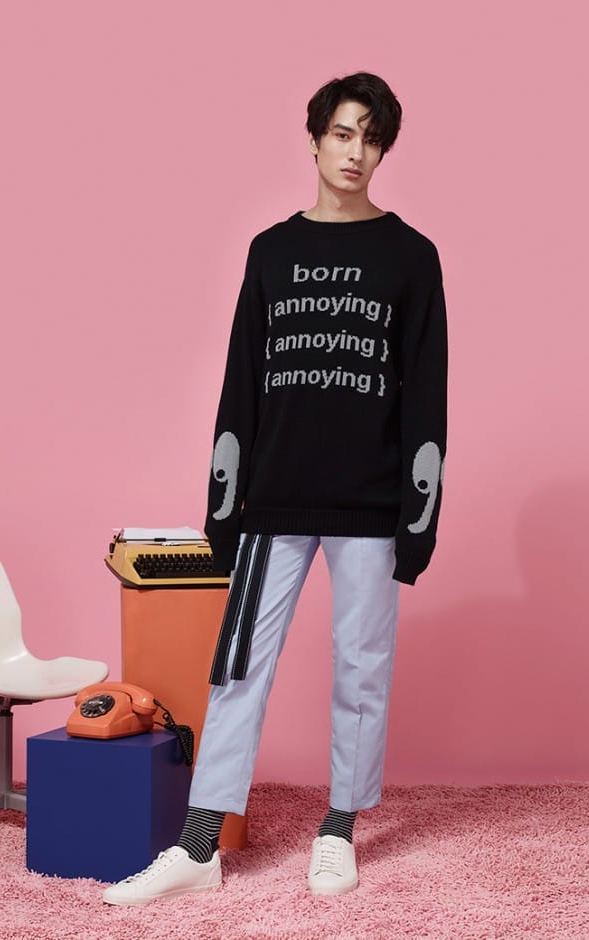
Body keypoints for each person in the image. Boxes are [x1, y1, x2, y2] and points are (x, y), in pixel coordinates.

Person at [103, 71, 448, 906]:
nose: (355, 152)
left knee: (361, 670)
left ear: (383, 152)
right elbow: (240, 385)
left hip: (371, 504)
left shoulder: (411, 257)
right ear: (315, 139)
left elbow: (426, 394)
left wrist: (418, 522)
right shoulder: (271, 251)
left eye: (371, 139)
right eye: (342, 133)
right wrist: (223, 510)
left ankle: (337, 831)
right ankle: (198, 847)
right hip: (273, 498)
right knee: (238, 669)